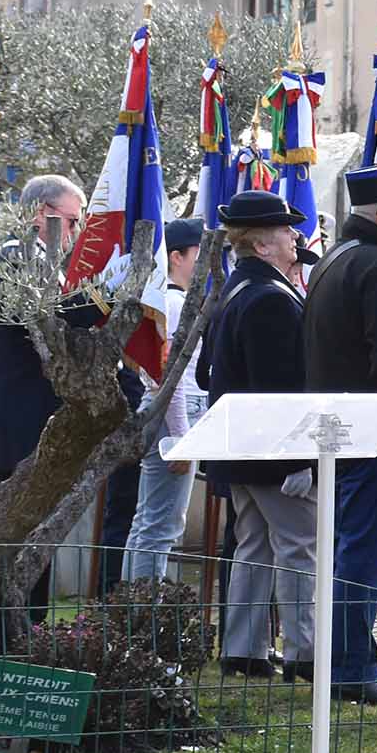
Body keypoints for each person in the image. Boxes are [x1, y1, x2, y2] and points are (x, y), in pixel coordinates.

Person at [301, 160, 377, 706]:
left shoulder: (338, 258)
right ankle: (350, 667)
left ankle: (342, 661)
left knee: (346, 549)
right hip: (373, 433)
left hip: (340, 427)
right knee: (364, 555)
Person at [198, 191, 314, 679]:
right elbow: (280, 391)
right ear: (262, 245)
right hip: (271, 452)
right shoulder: (270, 298)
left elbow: (210, 373)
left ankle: (244, 649)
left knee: (255, 545)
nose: (295, 237)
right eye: (286, 231)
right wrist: (299, 460)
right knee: (299, 545)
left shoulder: (238, 289)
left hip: (241, 447)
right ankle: (306, 653)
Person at [0, 174, 88, 480]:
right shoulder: (16, 256)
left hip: (31, 416)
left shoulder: (39, 259)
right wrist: (107, 294)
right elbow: (54, 318)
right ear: (40, 212)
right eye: (71, 221)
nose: (75, 232)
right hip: (17, 419)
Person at [125, 217, 207, 580]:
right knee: (161, 526)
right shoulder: (173, 304)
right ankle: (141, 614)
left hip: (173, 411)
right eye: (198, 253)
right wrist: (181, 437)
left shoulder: (172, 301)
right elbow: (167, 376)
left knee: (150, 522)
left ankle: (131, 608)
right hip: (174, 412)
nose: (205, 260)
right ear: (176, 256)